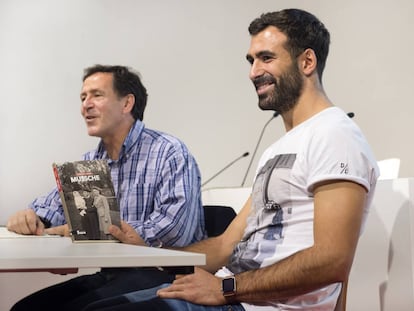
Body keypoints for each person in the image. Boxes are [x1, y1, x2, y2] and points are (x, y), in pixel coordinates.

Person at [86, 9, 379, 311]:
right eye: (251, 61)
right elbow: (225, 245)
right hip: (234, 295)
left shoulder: (335, 135)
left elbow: (333, 260)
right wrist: (149, 253)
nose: (253, 72)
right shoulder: (277, 150)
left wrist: (226, 288)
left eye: (266, 58)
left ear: (307, 62)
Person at [7, 65, 206, 310]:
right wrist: (31, 217)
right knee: (25, 309)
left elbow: (175, 231)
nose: (86, 105)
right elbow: (53, 211)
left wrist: (97, 232)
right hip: (113, 274)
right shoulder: (90, 162)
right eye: (83, 97)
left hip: (164, 276)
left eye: (96, 95)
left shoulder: (169, 151)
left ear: (127, 104)